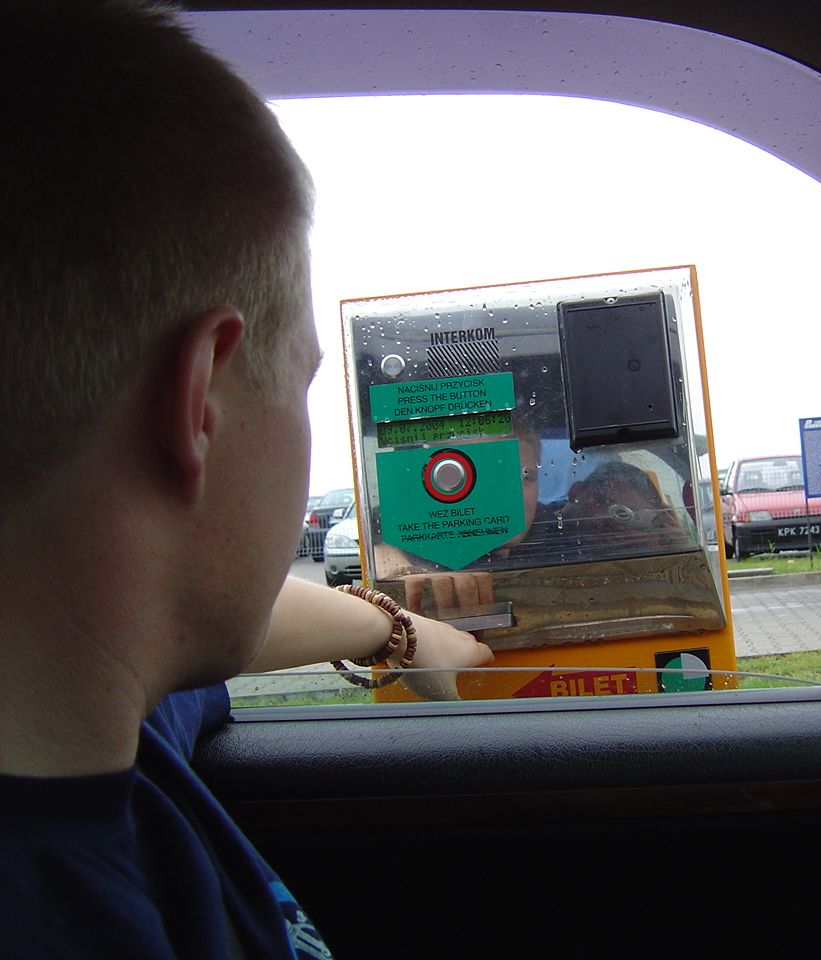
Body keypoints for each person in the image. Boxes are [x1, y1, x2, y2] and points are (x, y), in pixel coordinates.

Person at [0, 2, 489, 955]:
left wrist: (397, 628)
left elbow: (206, 610)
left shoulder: (90, 684)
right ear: (200, 401)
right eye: (300, 379)